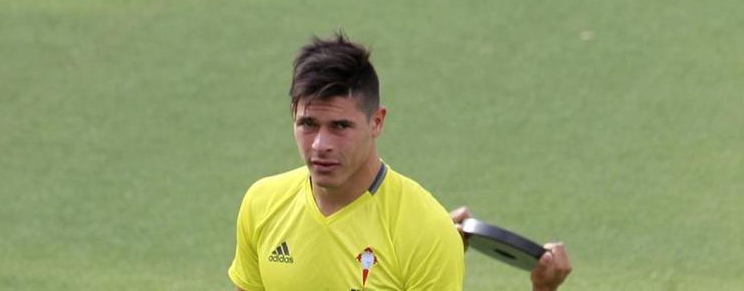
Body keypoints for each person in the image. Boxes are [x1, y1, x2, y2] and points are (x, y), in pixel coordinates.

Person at [229, 33, 571, 290]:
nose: (320, 145)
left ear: (376, 121)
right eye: (308, 124)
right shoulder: (263, 203)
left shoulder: (426, 232)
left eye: (340, 126)